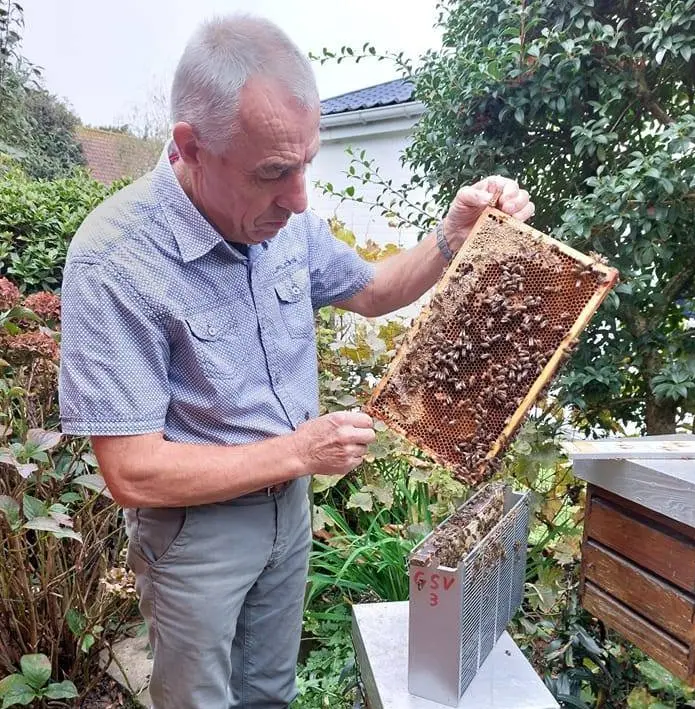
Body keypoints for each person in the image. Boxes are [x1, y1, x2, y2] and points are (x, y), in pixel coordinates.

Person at [59, 13, 534, 709]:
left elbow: (372, 291)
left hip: (287, 510)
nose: (300, 196)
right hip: (197, 534)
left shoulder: (287, 224)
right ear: (189, 147)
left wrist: (449, 239)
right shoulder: (115, 260)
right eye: (273, 173)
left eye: (306, 162)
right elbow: (131, 470)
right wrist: (301, 450)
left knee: (268, 695)